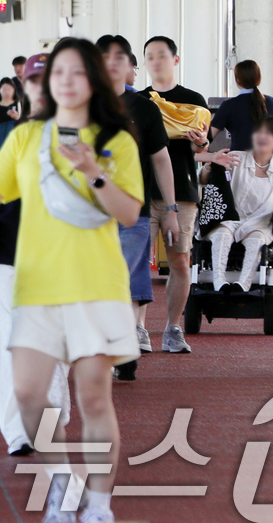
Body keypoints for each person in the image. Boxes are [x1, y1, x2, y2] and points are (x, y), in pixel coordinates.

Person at [0, 37, 144, 523]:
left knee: (93, 395)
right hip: (36, 284)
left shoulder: (117, 141)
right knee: (29, 393)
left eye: (76, 72)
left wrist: (92, 170)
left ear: (92, 80)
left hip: (95, 284)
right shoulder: (26, 138)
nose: (66, 80)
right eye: (58, 73)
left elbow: (129, 212)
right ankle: (60, 482)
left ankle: (98, 504)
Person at [0, 52, 73, 456]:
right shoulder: (5, 134)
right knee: (12, 343)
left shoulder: (81, 135)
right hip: (10, 251)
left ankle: (51, 422)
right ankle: (17, 431)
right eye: (34, 81)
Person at [98, 34, 175, 378]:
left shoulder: (144, 108)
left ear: (130, 65)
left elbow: (161, 159)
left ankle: (125, 346)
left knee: (127, 277)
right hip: (91, 212)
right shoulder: (81, 107)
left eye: (120, 58)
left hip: (133, 210)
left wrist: (171, 209)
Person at [141, 35, 208, 354]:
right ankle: (137, 329)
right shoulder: (137, 102)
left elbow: (201, 149)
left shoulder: (194, 101)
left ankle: (173, 327)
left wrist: (203, 144)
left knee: (179, 260)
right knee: (137, 261)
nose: (156, 61)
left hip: (181, 190)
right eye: (149, 56)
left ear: (175, 60)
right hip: (139, 191)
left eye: (162, 55)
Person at [198, 117, 273, 292]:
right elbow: (202, 179)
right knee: (221, 235)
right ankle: (219, 282)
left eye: (269, 134)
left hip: (261, 221)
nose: (263, 137)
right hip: (229, 217)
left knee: (257, 241)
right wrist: (210, 165)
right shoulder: (235, 156)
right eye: (260, 132)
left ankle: (243, 285)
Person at [210, 60, 273, 152]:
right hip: (268, 161)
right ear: (259, 78)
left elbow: (210, 135)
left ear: (237, 80)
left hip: (239, 161)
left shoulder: (229, 105)